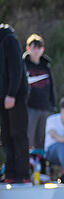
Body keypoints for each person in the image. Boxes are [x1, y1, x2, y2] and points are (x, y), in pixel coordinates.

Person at [0, 24, 30, 184]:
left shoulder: (8, 39)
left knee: (18, 135)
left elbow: (16, 69)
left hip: (14, 96)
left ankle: (23, 174)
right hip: (3, 97)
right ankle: (10, 173)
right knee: (6, 137)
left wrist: (11, 94)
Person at [23, 34, 56, 152]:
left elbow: (51, 87)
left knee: (42, 140)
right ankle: (27, 166)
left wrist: (52, 105)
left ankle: (40, 167)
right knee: (28, 138)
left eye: (39, 48)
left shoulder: (46, 66)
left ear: (42, 49)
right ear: (28, 48)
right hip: (30, 108)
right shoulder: (23, 65)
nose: (36, 50)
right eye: (34, 47)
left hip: (45, 108)